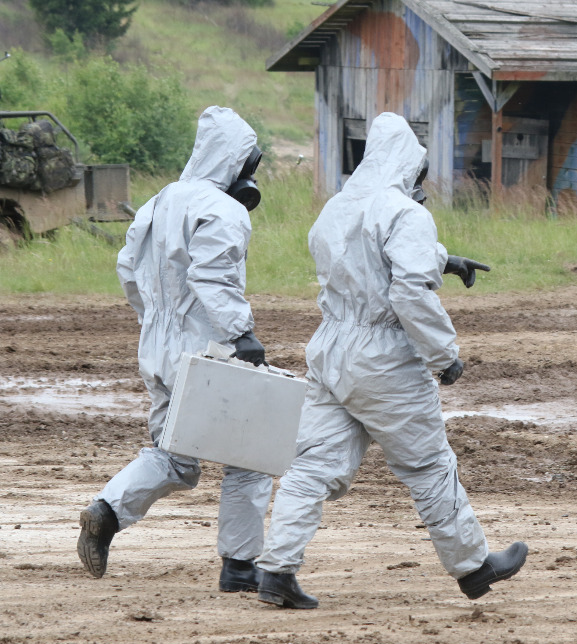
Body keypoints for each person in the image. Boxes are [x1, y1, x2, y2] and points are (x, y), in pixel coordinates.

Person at [254, 112, 527, 609]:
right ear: (410, 165)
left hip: (331, 349)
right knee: (428, 463)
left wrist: (444, 258)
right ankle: (473, 567)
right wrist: (444, 355)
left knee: (311, 465)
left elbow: (365, 258)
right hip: (384, 359)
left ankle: (276, 571)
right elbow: (408, 292)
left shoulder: (335, 207)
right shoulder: (406, 214)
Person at [77, 106, 273, 594]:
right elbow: (212, 276)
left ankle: (106, 510)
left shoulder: (157, 201)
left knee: (175, 455)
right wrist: (241, 333)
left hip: (157, 346)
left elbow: (127, 269)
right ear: (235, 161)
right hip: (207, 349)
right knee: (249, 457)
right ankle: (240, 567)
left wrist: (153, 322)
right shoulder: (224, 210)